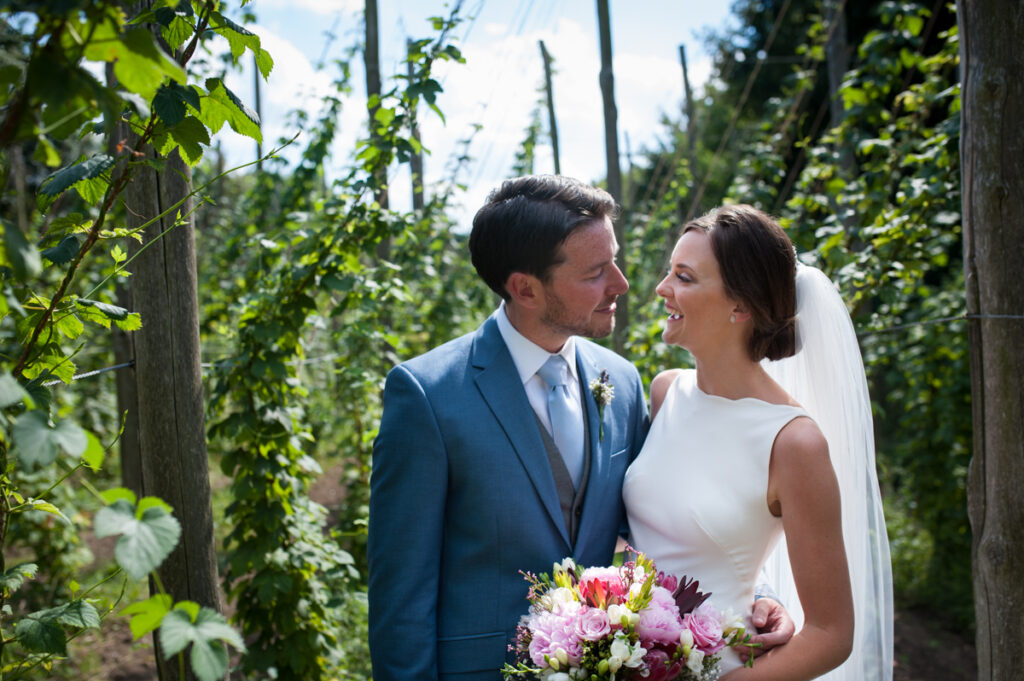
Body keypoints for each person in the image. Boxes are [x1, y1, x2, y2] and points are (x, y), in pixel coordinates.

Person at [368, 177, 794, 681]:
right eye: (596, 272)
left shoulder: (621, 379)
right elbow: (401, 599)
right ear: (525, 288)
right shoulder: (427, 396)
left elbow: (671, 518)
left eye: (614, 259)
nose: (622, 283)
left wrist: (758, 594)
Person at [623, 204, 893, 680]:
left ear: (740, 306)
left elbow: (832, 634)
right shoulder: (666, 390)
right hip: (628, 658)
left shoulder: (794, 443)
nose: (662, 289)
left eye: (684, 278)